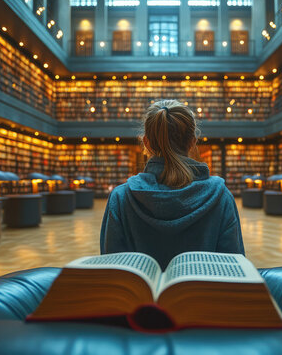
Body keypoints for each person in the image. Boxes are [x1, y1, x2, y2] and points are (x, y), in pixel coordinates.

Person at [100, 99, 244, 269]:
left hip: (141, 296)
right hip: (201, 296)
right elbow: (234, 268)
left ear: (146, 142)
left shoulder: (121, 198)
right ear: (193, 141)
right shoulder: (221, 197)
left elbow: (111, 269)